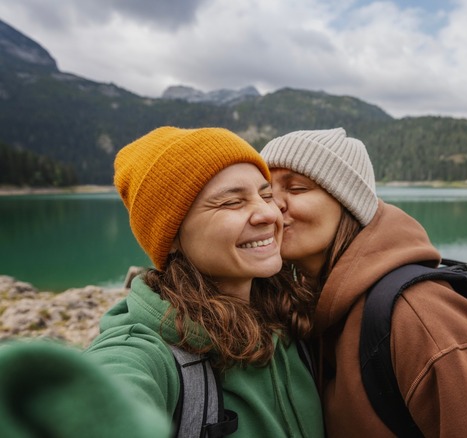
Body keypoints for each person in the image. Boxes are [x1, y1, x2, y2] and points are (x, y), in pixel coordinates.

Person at [261, 128, 467, 437]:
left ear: (348, 202)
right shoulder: (316, 306)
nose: (271, 206)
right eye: (265, 192)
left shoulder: (418, 317)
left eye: (297, 188)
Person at [81, 126, 324, 437]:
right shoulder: (149, 351)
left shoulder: (292, 315)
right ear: (171, 237)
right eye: (232, 203)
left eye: (266, 195)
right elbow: (105, 398)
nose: (267, 214)